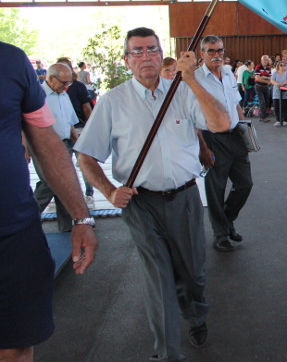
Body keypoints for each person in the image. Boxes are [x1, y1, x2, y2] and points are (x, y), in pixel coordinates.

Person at [76, 27, 230, 361]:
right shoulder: (113, 102)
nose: (146, 56)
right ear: (126, 60)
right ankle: (167, 354)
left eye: (152, 50)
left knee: (192, 274)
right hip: (140, 204)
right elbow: (86, 156)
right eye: (137, 51)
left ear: (162, 55)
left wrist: (190, 79)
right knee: (158, 281)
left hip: (187, 198)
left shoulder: (184, 91)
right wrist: (109, 190)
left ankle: (196, 315)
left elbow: (221, 123)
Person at [0, 42, 97, 362]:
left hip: (13, 235)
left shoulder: (12, 62)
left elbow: (48, 143)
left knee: (15, 347)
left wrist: (81, 218)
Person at [194, 35, 253, 253]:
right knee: (216, 189)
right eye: (211, 51)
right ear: (202, 53)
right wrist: (203, 147)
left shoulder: (228, 73)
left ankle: (227, 220)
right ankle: (220, 235)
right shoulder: (196, 79)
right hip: (212, 138)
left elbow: (236, 104)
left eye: (220, 50)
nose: (217, 55)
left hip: (235, 135)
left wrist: (245, 130)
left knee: (245, 184)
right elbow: (193, 116)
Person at [31, 63, 80, 233]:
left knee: (64, 184)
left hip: (64, 144)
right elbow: (24, 123)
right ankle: (27, 219)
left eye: (69, 83)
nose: (66, 87)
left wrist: (77, 144)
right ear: (51, 78)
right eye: (64, 83)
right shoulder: (37, 95)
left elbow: (70, 123)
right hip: (43, 146)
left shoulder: (63, 95)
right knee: (49, 182)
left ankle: (67, 227)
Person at [270, 59, 287, 127]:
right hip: (276, 92)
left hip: (286, 93)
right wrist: (278, 84)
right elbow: (272, 80)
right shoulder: (275, 73)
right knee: (277, 106)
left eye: (284, 65)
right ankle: (278, 120)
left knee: (285, 107)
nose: (283, 66)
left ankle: (285, 120)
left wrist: (283, 83)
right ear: (278, 66)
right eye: (281, 65)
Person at [253, 55, 272, 122]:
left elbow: (270, 78)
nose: (265, 61)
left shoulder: (268, 68)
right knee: (262, 102)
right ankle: (264, 117)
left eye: (267, 60)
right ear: (261, 60)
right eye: (264, 60)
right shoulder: (258, 67)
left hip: (266, 87)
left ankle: (262, 116)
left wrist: (263, 77)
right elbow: (257, 78)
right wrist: (266, 79)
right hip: (259, 86)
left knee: (267, 102)